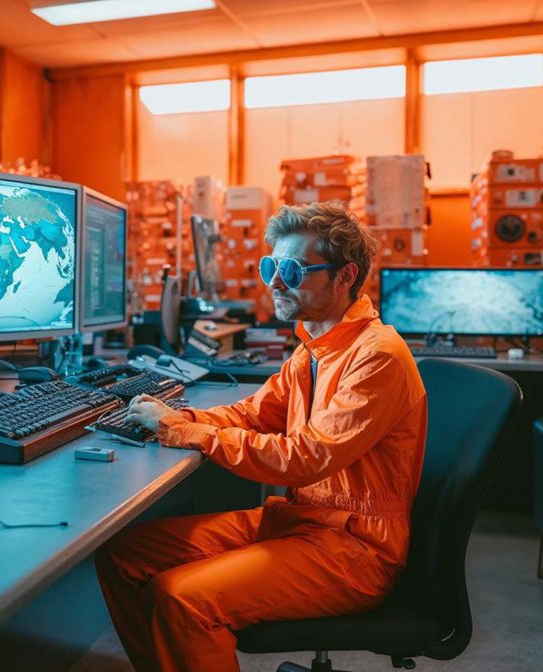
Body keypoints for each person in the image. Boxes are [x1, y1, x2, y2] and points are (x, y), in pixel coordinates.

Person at [95, 201, 427, 672]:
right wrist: (179, 417)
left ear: (345, 276)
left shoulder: (377, 357)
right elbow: (252, 415)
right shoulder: (314, 346)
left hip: (354, 547)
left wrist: (190, 435)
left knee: (183, 600)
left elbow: (306, 458)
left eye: (291, 270)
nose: (273, 281)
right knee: (124, 555)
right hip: (300, 520)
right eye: (271, 266)